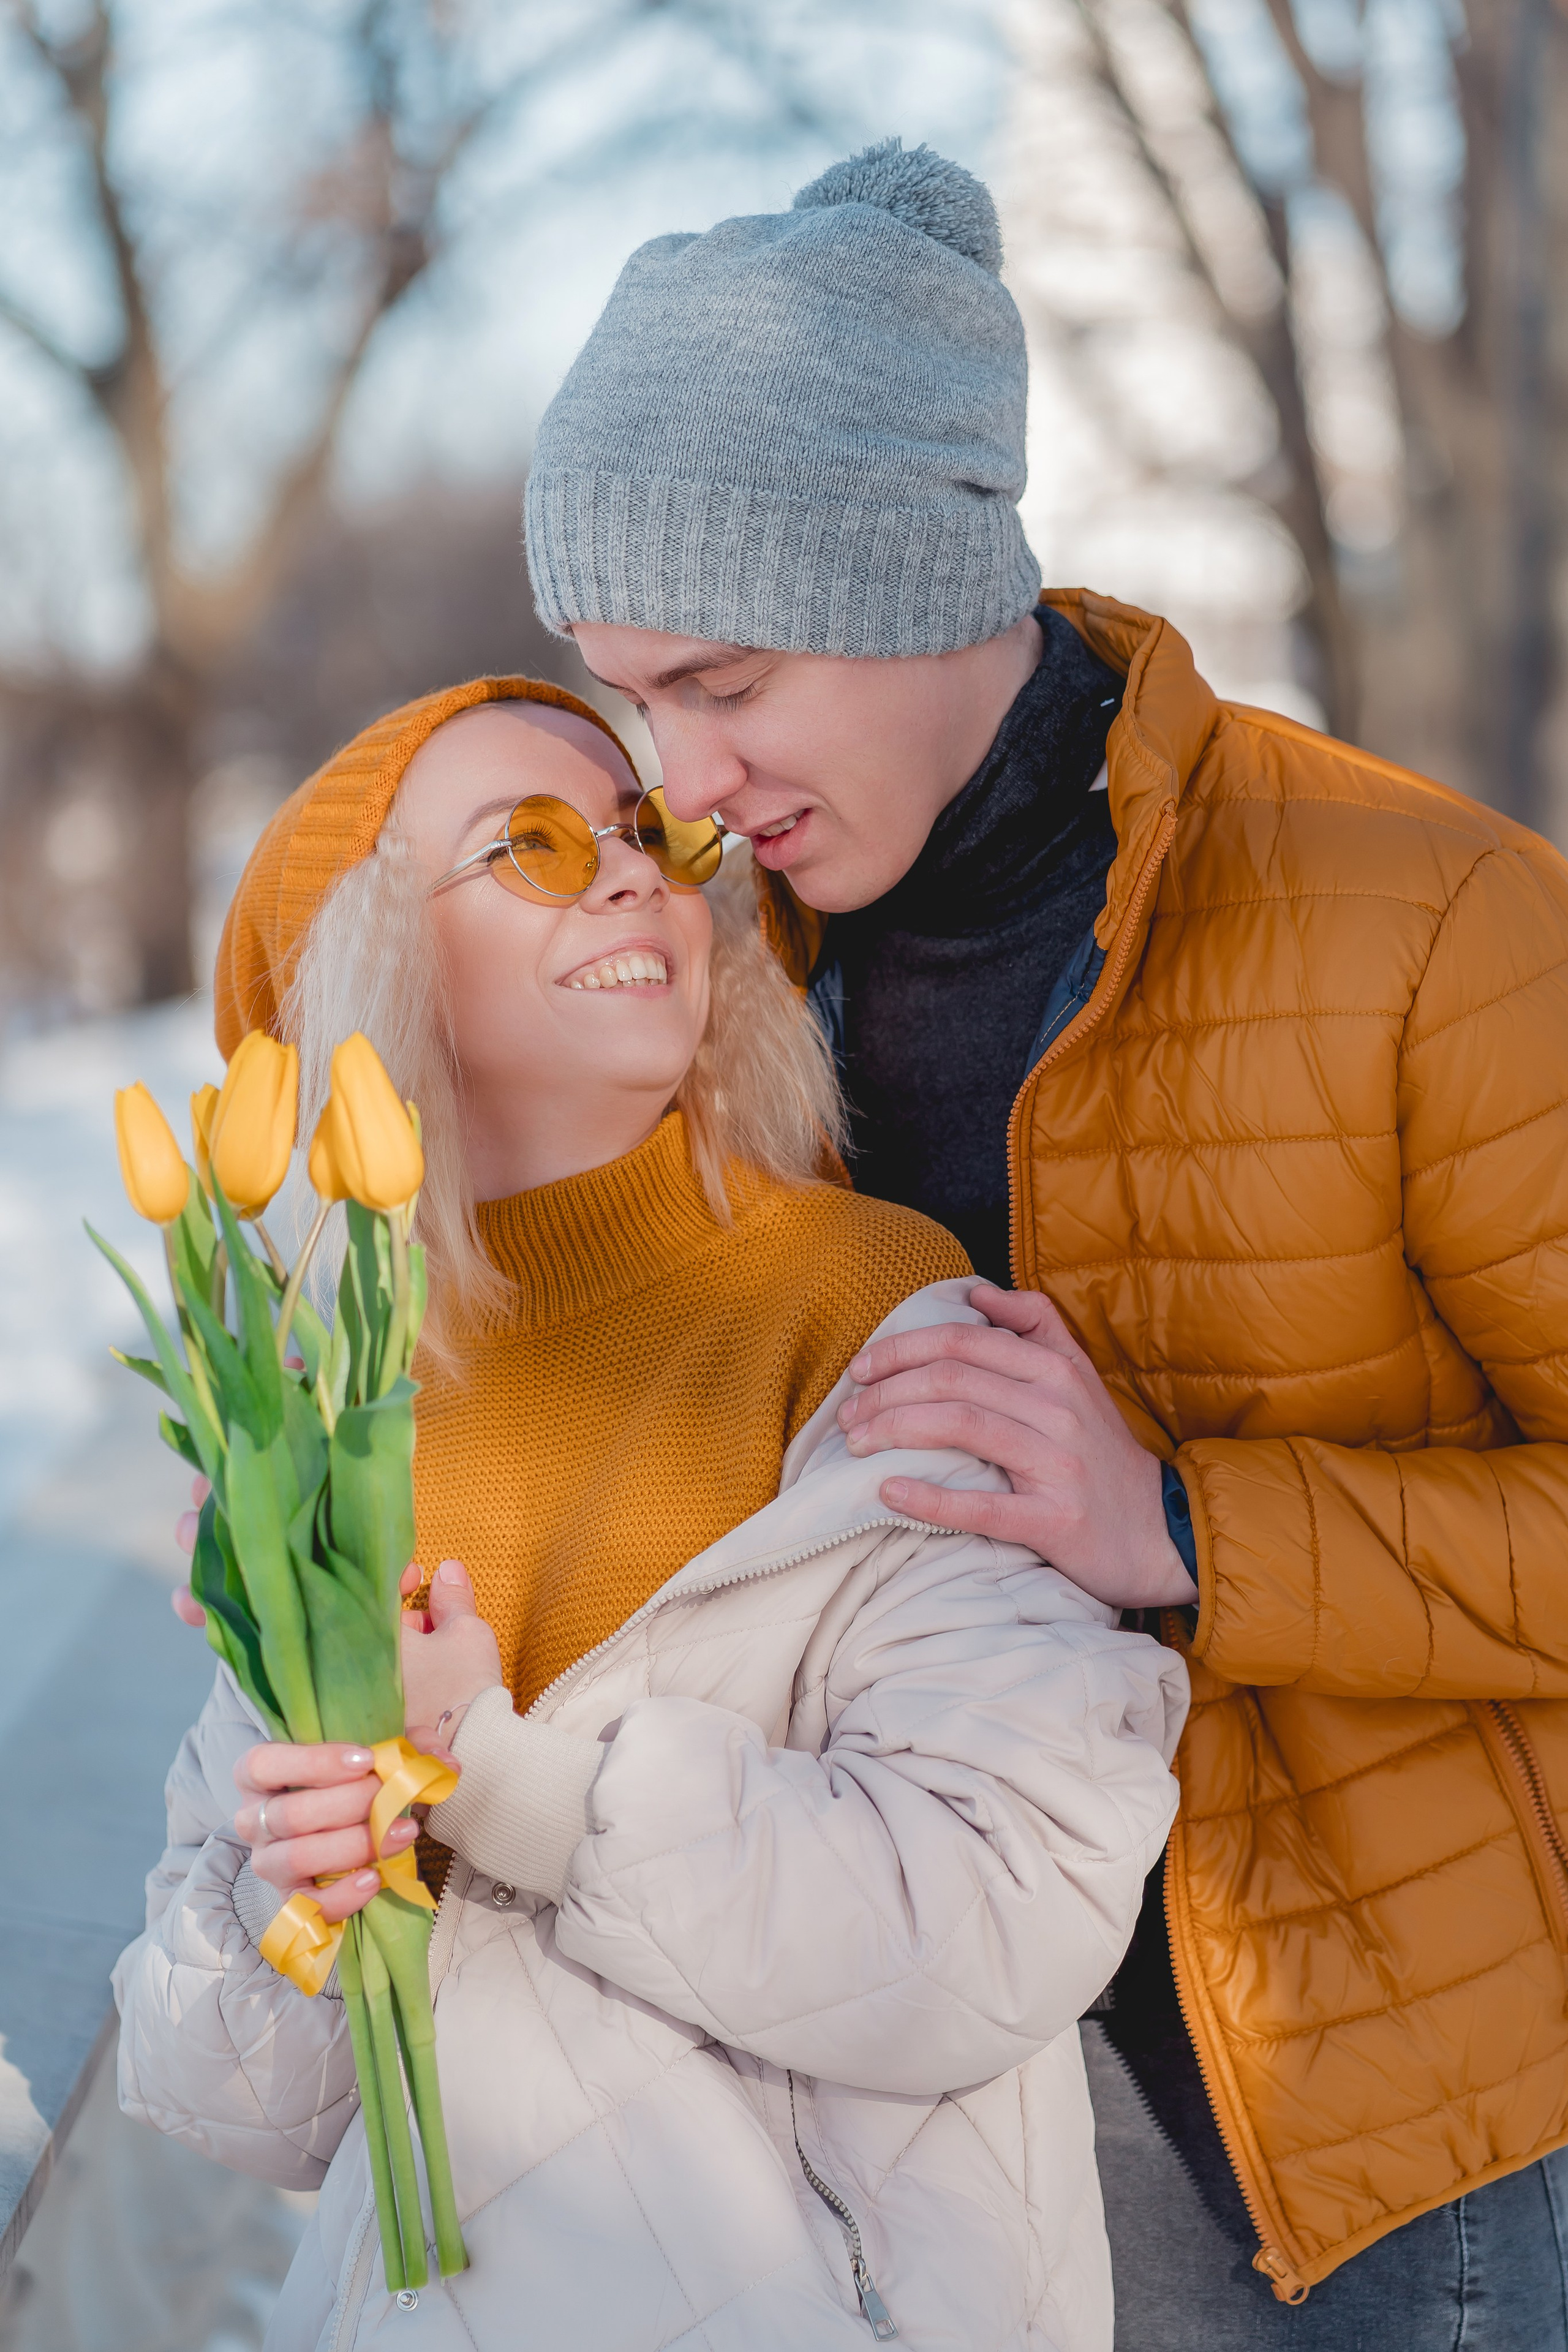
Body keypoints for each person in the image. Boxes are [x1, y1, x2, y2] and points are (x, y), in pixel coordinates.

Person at [517, 135, 1568, 2345]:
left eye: (723, 680)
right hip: (912, 2115)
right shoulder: (711, 979)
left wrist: (1183, 1523)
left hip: (1378, 2132)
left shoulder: (1435, 920)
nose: (680, 785)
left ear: (918, 577)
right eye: (632, 699)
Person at [113, 674, 1186, 2351]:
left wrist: (502, 1772)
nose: (632, 877)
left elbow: (998, 1910)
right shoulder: (311, 1435)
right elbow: (228, 2101)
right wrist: (300, 1904)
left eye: (646, 833)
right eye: (529, 846)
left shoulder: (875, 1311)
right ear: (373, 957)